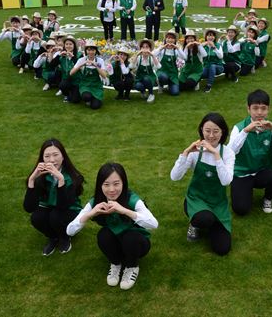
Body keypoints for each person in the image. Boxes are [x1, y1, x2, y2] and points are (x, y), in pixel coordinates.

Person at [67, 162, 158, 290]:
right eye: (106, 184)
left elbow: (154, 224)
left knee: (130, 238)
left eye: (116, 184)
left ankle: (132, 267)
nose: (111, 190)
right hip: (116, 243)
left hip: (137, 244)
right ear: (100, 185)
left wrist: (124, 210)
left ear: (123, 183)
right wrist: (90, 214)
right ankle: (116, 263)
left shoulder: (132, 199)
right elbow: (70, 231)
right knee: (103, 235)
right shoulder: (96, 202)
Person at [170, 112, 234, 256]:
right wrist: (186, 153)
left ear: (222, 132)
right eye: (207, 131)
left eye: (216, 131)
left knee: (222, 249)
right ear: (201, 130)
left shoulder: (228, 153)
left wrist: (216, 155)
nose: (211, 135)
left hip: (218, 203)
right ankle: (195, 224)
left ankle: (210, 225)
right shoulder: (195, 152)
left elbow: (226, 181)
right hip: (196, 200)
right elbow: (174, 177)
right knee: (205, 218)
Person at [227, 90, 272, 215]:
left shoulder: (271, 128)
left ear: (268, 109)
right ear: (248, 109)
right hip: (242, 173)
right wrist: (245, 131)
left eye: (263, 108)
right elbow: (230, 152)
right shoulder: (238, 128)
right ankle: (243, 189)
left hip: (262, 172)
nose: (259, 112)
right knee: (241, 210)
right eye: (255, 108)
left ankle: (268, 198)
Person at [24, 139, 85, 256]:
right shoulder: (40, 175)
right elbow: (29, 207)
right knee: (36, 217)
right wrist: (32, 180)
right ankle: (53, 237)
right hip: (50, 208)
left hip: (69, 210)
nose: (52, 160)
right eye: (47, 156)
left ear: (63, 156)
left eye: (56, 155)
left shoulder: (74, 177)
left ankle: (64, 237)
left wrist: (61, 180)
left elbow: (63, 206)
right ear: (42, 158)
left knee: (55, 216)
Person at [69, 40, 108, 110]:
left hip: (96, 85)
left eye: (92, 50)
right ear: (86, 51)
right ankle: (88, 97)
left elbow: (104, 76)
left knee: (95, 106)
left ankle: (95, 98)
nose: (90, 52)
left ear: (95, 51)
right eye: (88, 50)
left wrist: (96, 66)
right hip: (85, 85)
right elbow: (71, 73)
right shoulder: (81, 60)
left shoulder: (100, 61)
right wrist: (82, 64)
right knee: (86, 97)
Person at [130, 39, 160, 103]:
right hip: (140, 78)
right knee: (138, 86)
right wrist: (137, 55)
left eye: (147, 47)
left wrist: (153, 55)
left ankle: (151, 94)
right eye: (143, 47)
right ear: (140, 49)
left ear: (150, 49)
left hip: (150, 77)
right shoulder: (138, 58)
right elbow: (131, 66)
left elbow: (158, 66)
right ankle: (143, 92)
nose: (145, 49)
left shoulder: (151, 58)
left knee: (146, 79)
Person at [155, 30, 183, 96]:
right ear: (165, 39)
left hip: (173, 74)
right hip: (162, 72)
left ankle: (170, 85)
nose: (170, 40)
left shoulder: (176, 50)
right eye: (168, 38)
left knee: (175, 93)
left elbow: (184, 57)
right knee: (163, 77)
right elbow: (153, 54)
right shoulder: (162, 49)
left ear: (175, 40)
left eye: (172, 38)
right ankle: (161, 85)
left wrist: (177, 48)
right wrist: (161, 48)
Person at [201, 28, 224, 93]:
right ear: (206, 37)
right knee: (201, 74)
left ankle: (209, 85)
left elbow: (221, 56)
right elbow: (200, 56)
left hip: (218, 67)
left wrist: (214, 47)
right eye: (209, 35)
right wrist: (201, 46)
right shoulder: (204, 46)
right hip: (206, 66)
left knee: (212, 66)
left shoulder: (218, 45)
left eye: (212, 35)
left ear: (214, 37)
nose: (210, 37)